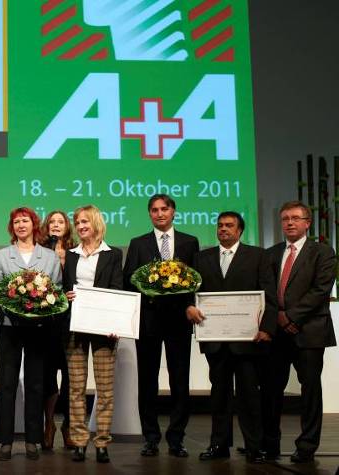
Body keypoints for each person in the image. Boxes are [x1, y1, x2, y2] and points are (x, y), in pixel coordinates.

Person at [185, 211, 276, 464]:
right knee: (219, 395)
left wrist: (267, 328)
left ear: (240, 230)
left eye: (229, 225)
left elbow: (269, 294)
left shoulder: (258, 256)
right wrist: (189, 306)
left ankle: (254, 447)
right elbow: (190, 292)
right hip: (215, 340)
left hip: (248, 341)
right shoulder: (201, 258)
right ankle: (219, 445)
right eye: (220, 225)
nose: (223, 229)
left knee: (249, 395)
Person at [123, 194, 199, 457]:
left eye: (164, 209)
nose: (159, 214)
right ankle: (151, 438)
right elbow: (128, 281)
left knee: (180, 380)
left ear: (174, 211)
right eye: (154, 210)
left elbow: (196, 281)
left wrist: (190, 304)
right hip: (148, 321)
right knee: (147, 381)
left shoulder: (190, 242)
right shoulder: (138, 243)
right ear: (149, 214)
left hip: (179, 320)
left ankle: (176, 438)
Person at [261, 201, 336, 463]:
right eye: (284, 219)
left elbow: (321, 290)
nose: (289, 223)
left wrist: (291, 316)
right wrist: (277, 318)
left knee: (310, 391)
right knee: (270, 390)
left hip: (310, 331)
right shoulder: (270, 253)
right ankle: (269, 445)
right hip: (276, 333)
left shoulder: (323, 252)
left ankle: (306, 446)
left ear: (308, 222)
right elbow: (267, 291)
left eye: (295, 218)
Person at [0, 207, 61, 461]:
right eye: (16, 221)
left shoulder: (49, 257)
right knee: (7, 384)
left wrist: (39, 304)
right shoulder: (1, 256)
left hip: (39, 328)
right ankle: (5, 441)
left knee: (35, 384)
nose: (21, 225)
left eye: (25, 220)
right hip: (9, 326)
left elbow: (56, 289)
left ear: (34, 225)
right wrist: (15, 304)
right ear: (12, 227)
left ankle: (33, 440)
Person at [62, 205, 122, 463]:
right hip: (75, 327)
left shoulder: (113, 254)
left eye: (85, 221)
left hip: (103, 330)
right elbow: (65, 288)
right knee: (76, 389)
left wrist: (115, 323)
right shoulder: (71, 255)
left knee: (105, 389)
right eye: (77, 222)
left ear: (96, 222)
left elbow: (117, 290)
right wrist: (66, 296)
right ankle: (79, 441)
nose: (80, 225)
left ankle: (102, 442)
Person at [38, 211, 75, 450]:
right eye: (52, 222)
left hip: (71, 320)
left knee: (72, 377)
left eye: (60, 222)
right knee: (48, 376)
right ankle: (48, 424)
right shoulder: (40, 253)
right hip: (48, 322)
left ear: (67, 227)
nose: (56, 225)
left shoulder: (76, 253)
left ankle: (69, 426)